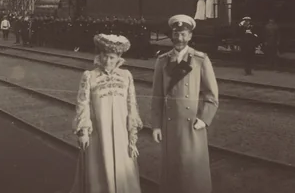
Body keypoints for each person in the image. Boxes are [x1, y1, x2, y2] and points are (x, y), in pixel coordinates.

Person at [151, 14, 218, 193]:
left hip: (192, 123)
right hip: (170, 124)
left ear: (189, 36)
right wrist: (156, 125)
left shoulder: (200, 59)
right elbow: (157, 95)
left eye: (183, 34)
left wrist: (203, 119)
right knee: (172, 167)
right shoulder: (162, 60)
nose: (179, 38)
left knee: (192, 169)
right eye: (176, 34)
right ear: (172, 35)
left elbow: (212, 94)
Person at [69, 34, 143, 193]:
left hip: (121, 131)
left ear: (118, 58)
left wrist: (132, 134)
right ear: (99, 55)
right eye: (104, 56)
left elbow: (132, 104)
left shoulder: (126, 76)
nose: (107, 61)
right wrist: (83, 131)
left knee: (123, 166)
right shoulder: (90, 76)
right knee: (100, 167)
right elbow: (83, 103)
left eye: (111, 57)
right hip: (98, 132)